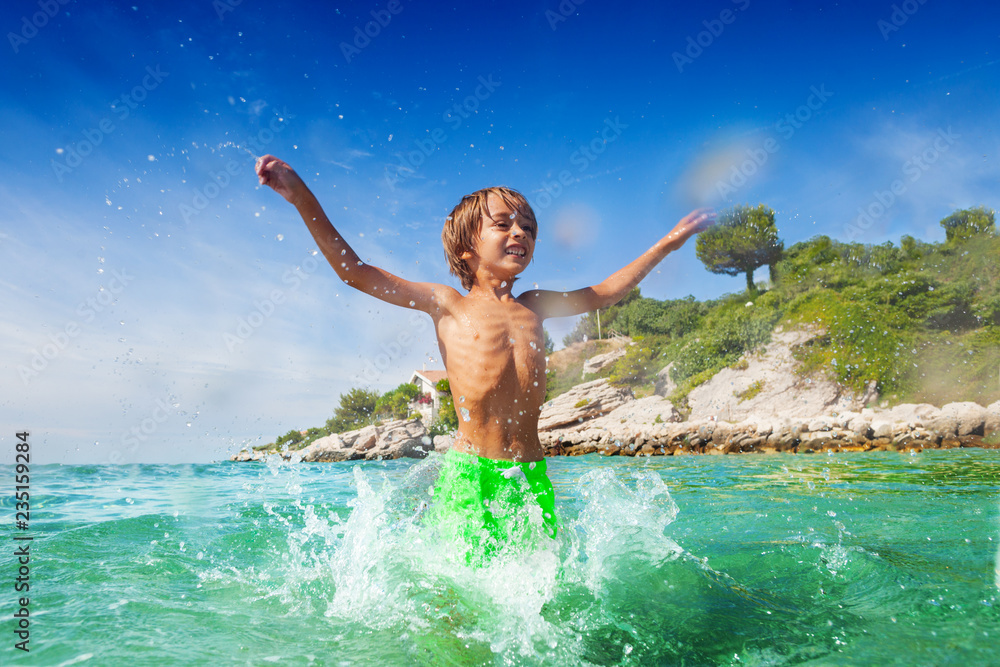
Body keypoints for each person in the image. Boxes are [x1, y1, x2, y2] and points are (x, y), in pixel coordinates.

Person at [255, 154, 715, 563]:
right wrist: (301, 198)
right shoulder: (447, 304)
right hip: (471, 478)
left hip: (531, 479)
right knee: (462, 601)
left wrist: (668, 243)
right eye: (503, 224)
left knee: (540, 595)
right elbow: (355, 273)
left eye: (529, 228)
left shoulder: (535, 305)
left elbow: (606, 292)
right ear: (466, 246)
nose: (520, 232)